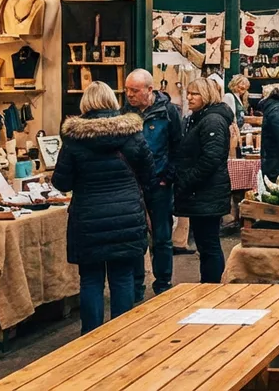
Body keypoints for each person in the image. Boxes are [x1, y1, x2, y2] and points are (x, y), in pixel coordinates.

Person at [53, 81, 154, 334]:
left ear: (85, 103)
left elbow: (61, 182)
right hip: (126, 216)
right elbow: (149, 176)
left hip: (88, 218)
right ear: (113, 100)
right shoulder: (132, 133)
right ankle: (121, 337)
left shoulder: (74, 139)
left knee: (90, 279)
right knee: (122, 277)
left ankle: (90, 338)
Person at [122, 69, 182, 300]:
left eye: (134, 90)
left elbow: (178, 147)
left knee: (162, 236)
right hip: (133, 184)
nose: (129, 95)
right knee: (136, 236)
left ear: (150, 89)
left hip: (160, 183)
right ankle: (137, 286)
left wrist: (168, 176)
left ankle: (163, 284)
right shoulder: (126, 112)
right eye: (127, 90)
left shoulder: (168, 112)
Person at [173, 78, 231, 284]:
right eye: (188, 93)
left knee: (209, 244)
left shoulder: (212, 120)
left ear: (206, 95)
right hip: (203, 192)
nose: (189, 98)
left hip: (206, 192)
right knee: (205, 244)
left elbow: (211, 158)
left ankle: (212, 288)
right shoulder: (199, 118)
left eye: (194, 94)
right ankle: (209, 284)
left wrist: (187, 180)